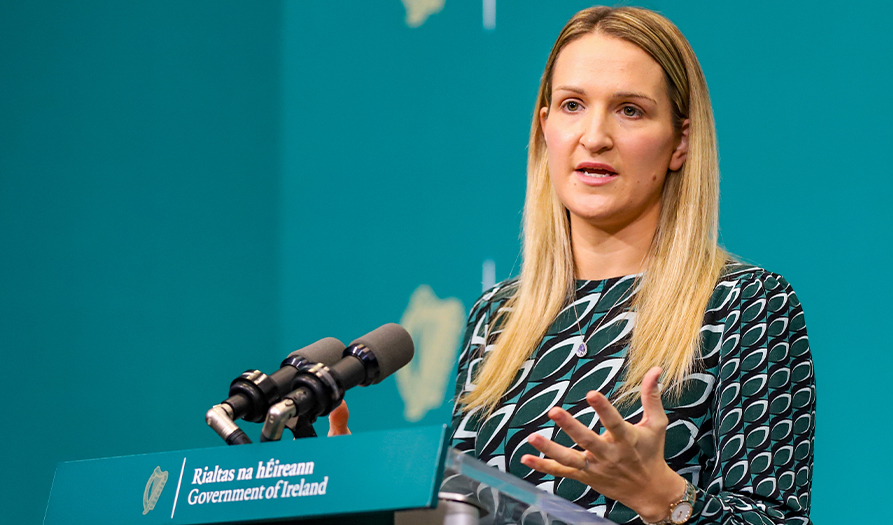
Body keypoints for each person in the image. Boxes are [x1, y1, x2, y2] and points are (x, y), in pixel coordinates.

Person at [334, 6, 815, 525]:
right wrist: (365, 493)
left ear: (680, 141)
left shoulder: (746, 305)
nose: (594, 136)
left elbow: (776, 519)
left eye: (630, 110)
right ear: (545, 129)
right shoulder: (498, 316)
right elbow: (464, 506)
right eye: (571, 105)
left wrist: (665, 500)